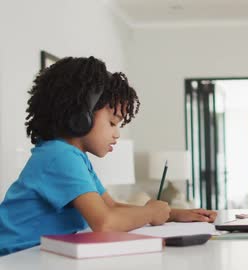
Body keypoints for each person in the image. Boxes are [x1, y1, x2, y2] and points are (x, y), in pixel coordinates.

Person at [0, 56, 217, 256]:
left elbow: (111, 207)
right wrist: (149, 214)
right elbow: (105, 223)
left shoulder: (74, 157)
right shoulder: (59, 156)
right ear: (79, 116)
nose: (117, 133)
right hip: (13, 260)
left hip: (35, 255)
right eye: (112, 122)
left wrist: (173, 213)